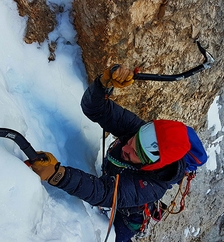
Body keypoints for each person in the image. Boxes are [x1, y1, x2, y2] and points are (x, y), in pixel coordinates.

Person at [27, 65, 207, 242]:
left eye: (136, 152)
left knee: (118, 238)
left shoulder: (153, 186)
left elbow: (104, 192)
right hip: (117, 182)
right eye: (131, 141)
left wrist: (57, 174)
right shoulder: (138, 131)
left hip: (129, 219)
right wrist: (103, 84)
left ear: (152, 163)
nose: (126, 148)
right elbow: (95, 108)